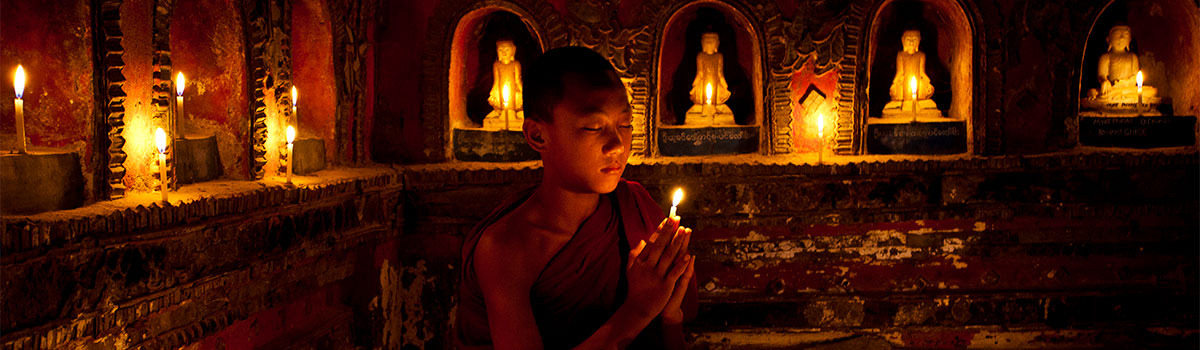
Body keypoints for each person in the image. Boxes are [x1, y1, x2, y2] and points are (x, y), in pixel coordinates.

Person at [457, 46, 698, 349]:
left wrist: (669, 313)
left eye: (625, 125)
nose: (617, 146)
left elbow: (671, 334)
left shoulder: (633, 206)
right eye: (593, 126)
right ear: (537, 136)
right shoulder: (506, 248)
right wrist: (639, 310)